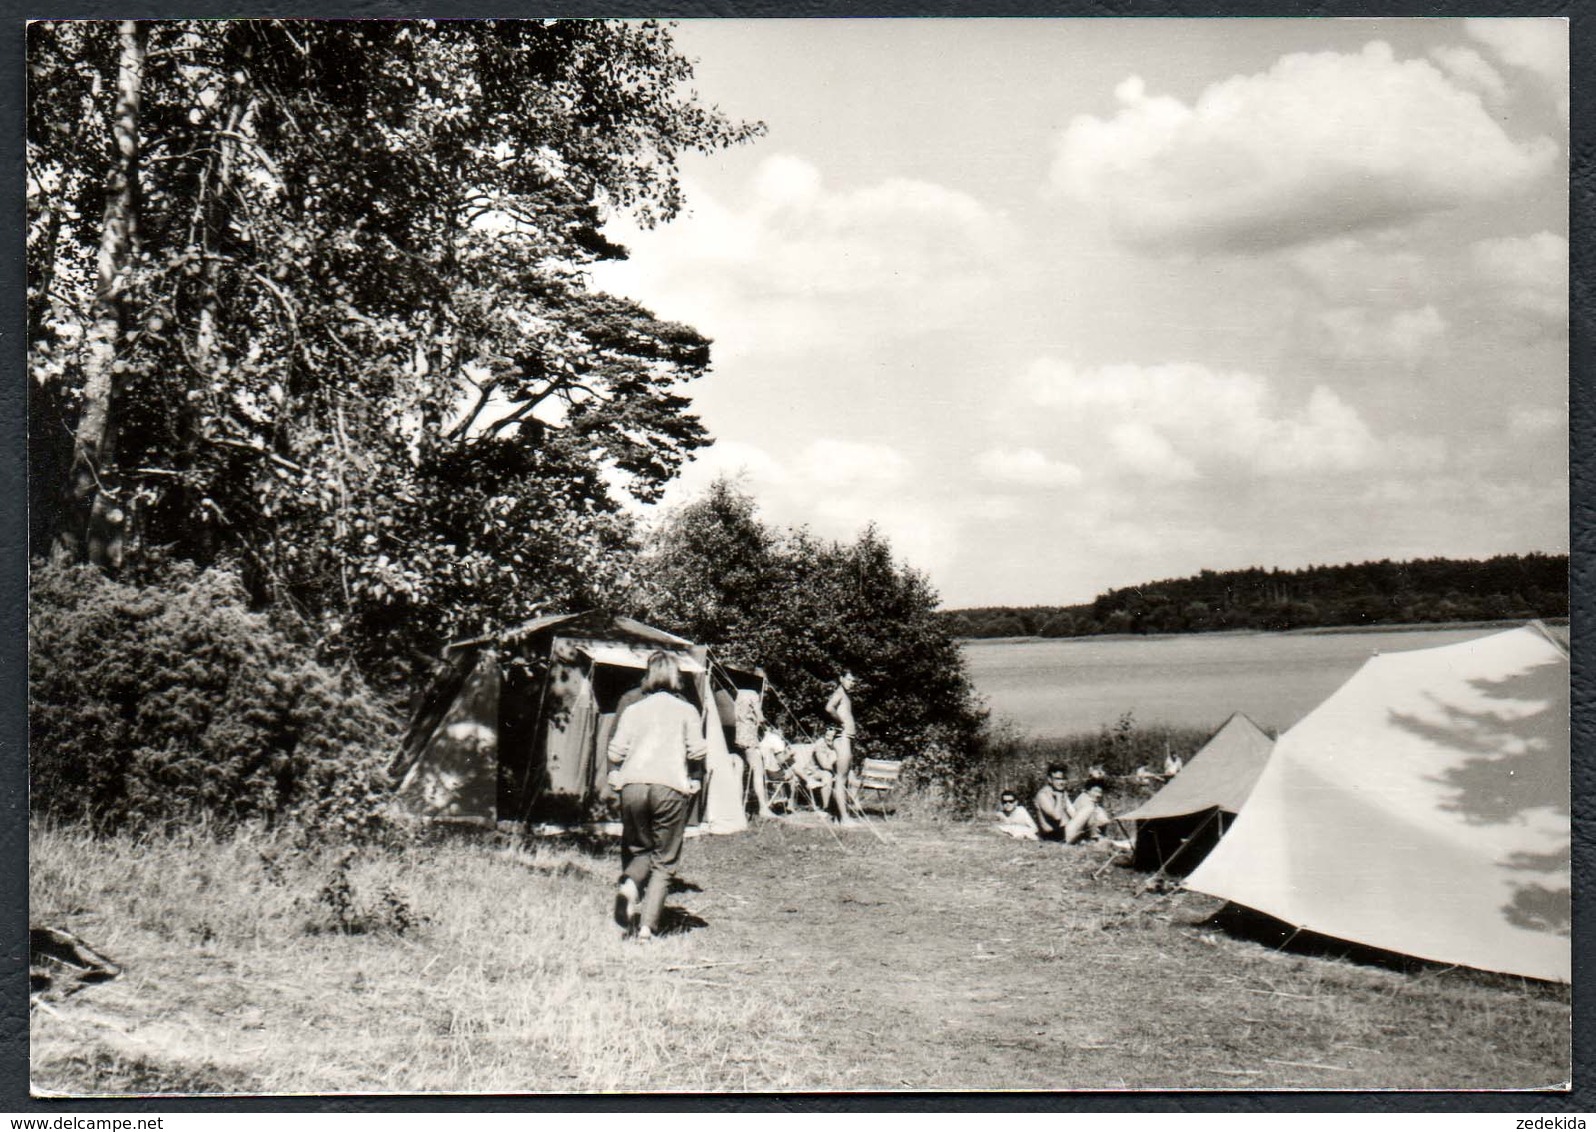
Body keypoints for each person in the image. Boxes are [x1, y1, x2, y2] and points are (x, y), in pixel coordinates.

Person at [606, 651, 707, 942]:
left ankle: (629, 888)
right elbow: (698, 752)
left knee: (640, 851)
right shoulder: (686, 709)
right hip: (669, 787)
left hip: (633, 786)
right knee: (665, 861)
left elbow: (614, 752)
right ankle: (647, 929)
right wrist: (693, 778)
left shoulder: (633, 708)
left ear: (648, 676)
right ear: (676, 677)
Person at [734, 683, 775, 819]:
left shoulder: (739, 692)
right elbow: (760, 717)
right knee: (758, 770)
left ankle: (738, 807)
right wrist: (762, 722)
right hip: (749, 737)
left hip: (738, 735)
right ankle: (763, 807)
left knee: (739, 771)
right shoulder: (753, 694)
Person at [825, 671, 859, 825]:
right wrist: (841, 722)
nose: (852, 683)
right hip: (842, 738)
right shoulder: (839, 693)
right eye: (849, 680)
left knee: (844, 778)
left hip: (847, 738)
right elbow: (829, 708)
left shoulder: (846, 695)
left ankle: (839, 816)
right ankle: (844, 818)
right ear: (841, 679)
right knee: (841, 778)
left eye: (854, 681)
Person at [1032, 763, 1074, 841]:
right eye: (1057, 779)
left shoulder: (1062, 792)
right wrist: (1058, 798)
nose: (1061, 782)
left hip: (1065, 830)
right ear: (1050, 780)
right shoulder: (1042, 795)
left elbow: (1072, 812)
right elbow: (1057, 817)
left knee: (1087, 808)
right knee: (1089, 808)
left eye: (1063, 779)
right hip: (1051, 835)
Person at [1065, 779, 1114, 844]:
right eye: (1095, 791)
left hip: (1080, 830)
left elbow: (1104, 820)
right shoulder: (1084, 799)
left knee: (1099, 813)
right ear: (1088, 791)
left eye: (1100, 792)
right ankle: (1094, 839)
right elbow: (1091, 822)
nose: (1098, 795)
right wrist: (1096, 836)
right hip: (1073, 830)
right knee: (1092, 811)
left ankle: (1094, 839)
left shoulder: (1093, 803)